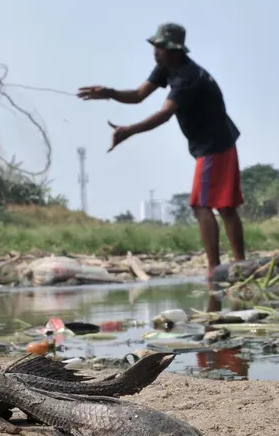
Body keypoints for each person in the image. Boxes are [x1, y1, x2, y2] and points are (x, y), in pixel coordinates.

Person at [78, 23, 245, 283]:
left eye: (161, 48)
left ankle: (216, 268)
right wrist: (108, 93)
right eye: (155, 47)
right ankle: (238, 264)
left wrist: (129, 130)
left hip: (214, 144)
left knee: (203, 205)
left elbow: (165, 114)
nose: (156, 52)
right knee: (224, 206)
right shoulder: (167, 67)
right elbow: (138, 95)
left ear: (175, 50)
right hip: (215, 141)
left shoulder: (188, 77)